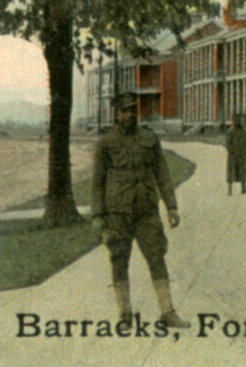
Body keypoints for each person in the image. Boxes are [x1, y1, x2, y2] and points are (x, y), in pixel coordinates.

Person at [91, 91, 189, 328]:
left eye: (133, 111)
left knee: (157, 257)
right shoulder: (106, 142)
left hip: (146, 211)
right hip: (118, 213)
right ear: (116, 114)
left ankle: (167, 311)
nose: (129, 116)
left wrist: (172, 206)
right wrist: (97, 216)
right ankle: (125, 314)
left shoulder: (150, 139)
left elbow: (162, 174)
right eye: (124, 111)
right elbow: (97, 182)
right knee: (119, 261)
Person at [225, 113, 246, 195]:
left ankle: (244, 188)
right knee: (231, 172)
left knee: (243, 171)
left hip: (243, 155)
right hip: (233, 156)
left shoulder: (245, 131)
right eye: (236, 120)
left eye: (239, 120)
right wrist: (231, 151)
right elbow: (227, 143)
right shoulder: (230, 132)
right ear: (233, 121)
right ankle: (230, 189)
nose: (238, 122)